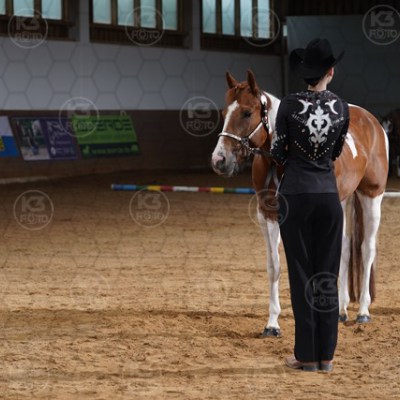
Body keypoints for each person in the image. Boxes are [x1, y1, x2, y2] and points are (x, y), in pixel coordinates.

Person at [271, 38, 350, 372]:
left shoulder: (289, 105)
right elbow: (335, 152)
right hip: (328, 198)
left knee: (301, 274)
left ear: (305, 73)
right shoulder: (342, 107)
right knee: (327, 275)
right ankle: (326, 356)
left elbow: (277, 152)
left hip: (295, 197)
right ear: (330, 72)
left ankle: (305, 356)